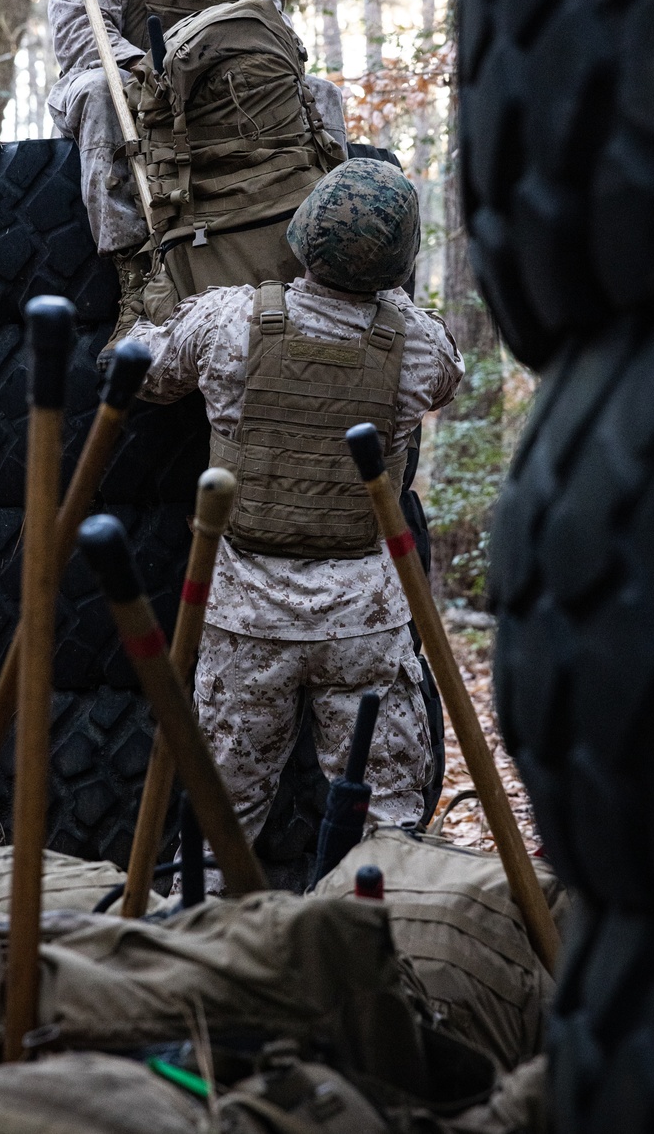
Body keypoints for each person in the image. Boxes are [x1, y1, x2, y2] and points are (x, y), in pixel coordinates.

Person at [125, 160, 465, 841]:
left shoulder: (230, 320)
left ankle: (221, 941)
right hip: (364, 622)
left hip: (247, 617)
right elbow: (449, 376)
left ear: (303, 233)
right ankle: (370, 939)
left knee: (223, 829)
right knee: (385, 834)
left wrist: (145, 299)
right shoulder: (419, 346)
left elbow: (144, 371)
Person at [46, 0, 347, 338]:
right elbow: (81, 39)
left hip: (219, 101)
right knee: (95, 92)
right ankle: (137, 282)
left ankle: (330, 258)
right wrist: (153, 73)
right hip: (129, 90)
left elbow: (270, 54)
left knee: (321, 94)